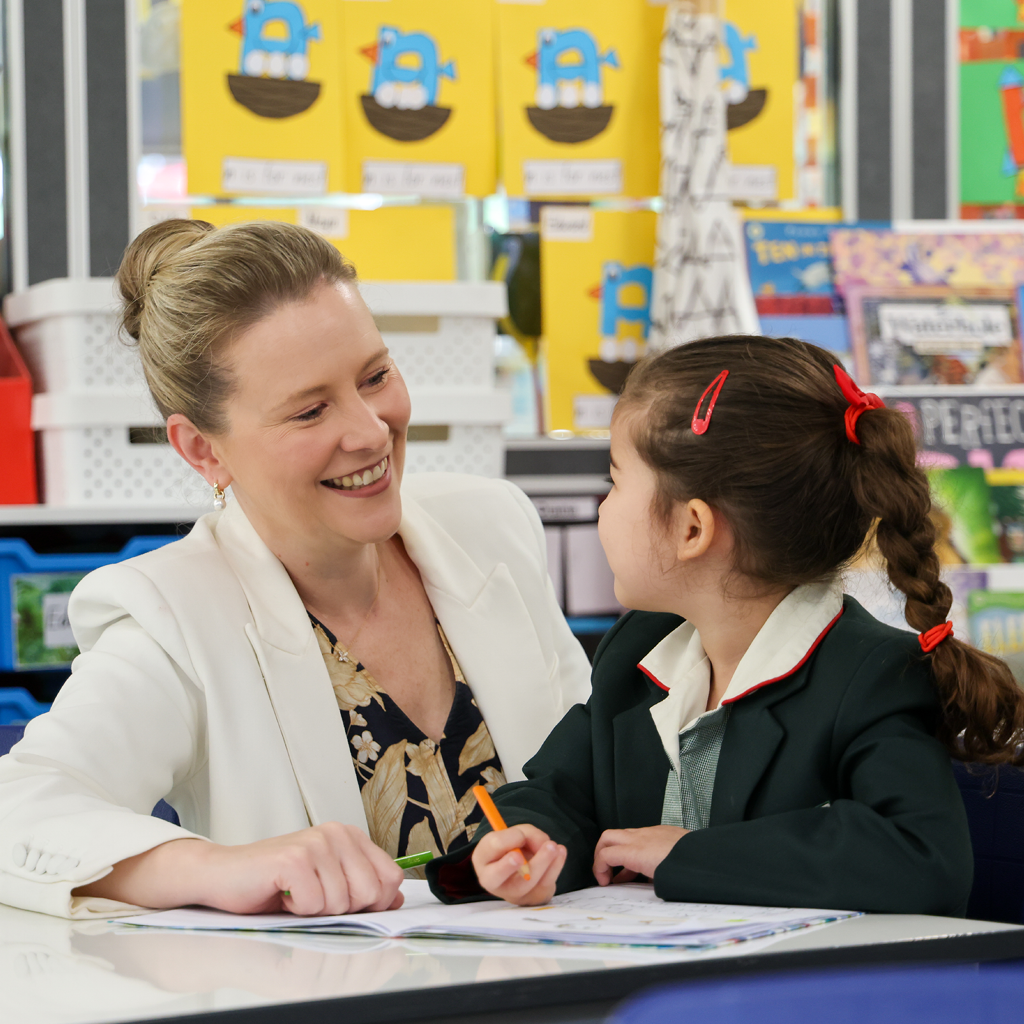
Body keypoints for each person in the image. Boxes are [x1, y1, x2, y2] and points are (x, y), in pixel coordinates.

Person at [0, 220, 591, 920]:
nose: (371, 430)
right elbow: (23, 806)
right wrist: (214, 867)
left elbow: (595, 766)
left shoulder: (491, 524)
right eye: (309, 411)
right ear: (202, 451)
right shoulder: (176, 616)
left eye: (376, 376)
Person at [428, 335, 1024, 915]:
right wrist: (524, 841)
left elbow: (922, 858)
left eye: (614, 481)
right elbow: (563, 792)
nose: (601, 507)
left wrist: (690, 854)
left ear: (692, 529)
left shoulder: (873, 674)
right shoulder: (638, 653)